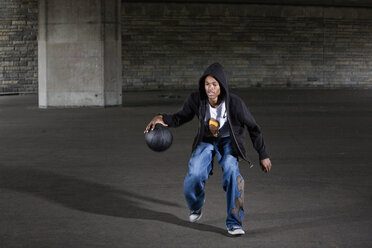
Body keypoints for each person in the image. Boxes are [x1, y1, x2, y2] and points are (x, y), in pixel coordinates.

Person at [144, 62, 272, 236]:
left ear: (222, 86)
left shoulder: (235, 103)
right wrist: (161, 117)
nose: (210, 89)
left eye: (214, 85)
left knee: (231, 170)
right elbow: (180, 117)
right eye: (207, 84)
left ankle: (234, 223)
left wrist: (263, 155)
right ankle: (196, 205)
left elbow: (254, 128)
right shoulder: (197, 99)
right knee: (195, 173)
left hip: (228, 142)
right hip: (206, 140)